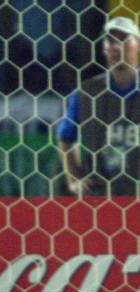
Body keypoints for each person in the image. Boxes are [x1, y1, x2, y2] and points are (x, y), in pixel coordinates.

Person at [58, 17, 139, 197]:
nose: (116, 46)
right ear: (103, 48)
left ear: (138, 45)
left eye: (125, 39)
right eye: (110, 41)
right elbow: (66, 138)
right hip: (101, 198)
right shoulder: (86, 93)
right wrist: (75, 180)